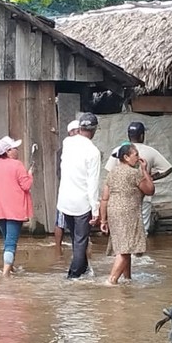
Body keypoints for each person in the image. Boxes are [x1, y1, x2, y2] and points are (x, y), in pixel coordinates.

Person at [99, 143, 155, 285]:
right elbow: (150, 190)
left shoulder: (112, 173)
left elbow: (104, 198)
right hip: (128, 213)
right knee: (124, 250)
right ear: (126, 157)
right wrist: (144, 170)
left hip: (113, 211)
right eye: (135, 155)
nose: (138, 158)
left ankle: (127, 279)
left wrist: (103, 220)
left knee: (124, 246)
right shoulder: (134, 173)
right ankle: (111, 280)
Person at [104, 121, 172, 234]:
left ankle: (123, 251)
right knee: (142, 232)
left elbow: (110, 174)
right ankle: (139, 250)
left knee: (122, 231)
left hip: (121, 198)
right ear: (142, 136)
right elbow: (167, 169)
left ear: (128, 135)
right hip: (143, 196)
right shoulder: (150, 151)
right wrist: (150, 178)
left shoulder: (118, 151)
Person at [57, 112, 101, 279]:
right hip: (82, 203)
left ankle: (82, 270)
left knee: (76, 240)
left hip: (65, 201)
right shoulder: (93, 152)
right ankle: (73, 277)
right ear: (94, 130)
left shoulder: (67, 142)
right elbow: (92, 183)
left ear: (80, 127)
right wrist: (96, 211)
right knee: (80, 242)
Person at [0, 135, 34, 277]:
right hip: (15, 210)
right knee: (11, 241)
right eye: (14, 148)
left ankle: (10, 267)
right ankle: (6, 273)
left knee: (7, 239)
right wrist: (30, 174)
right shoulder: (17, 165)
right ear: (7, 151)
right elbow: (26, 185)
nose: (17, 150)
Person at [54, 119, 81, 253]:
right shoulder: (63, 150)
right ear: (71, 133)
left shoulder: (84, 148)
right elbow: (59, 172)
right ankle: (58, 248)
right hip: (67, 188)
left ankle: (78, 248)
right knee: (61, 220)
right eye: (77, 131)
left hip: (78, 189)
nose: (79, 134)